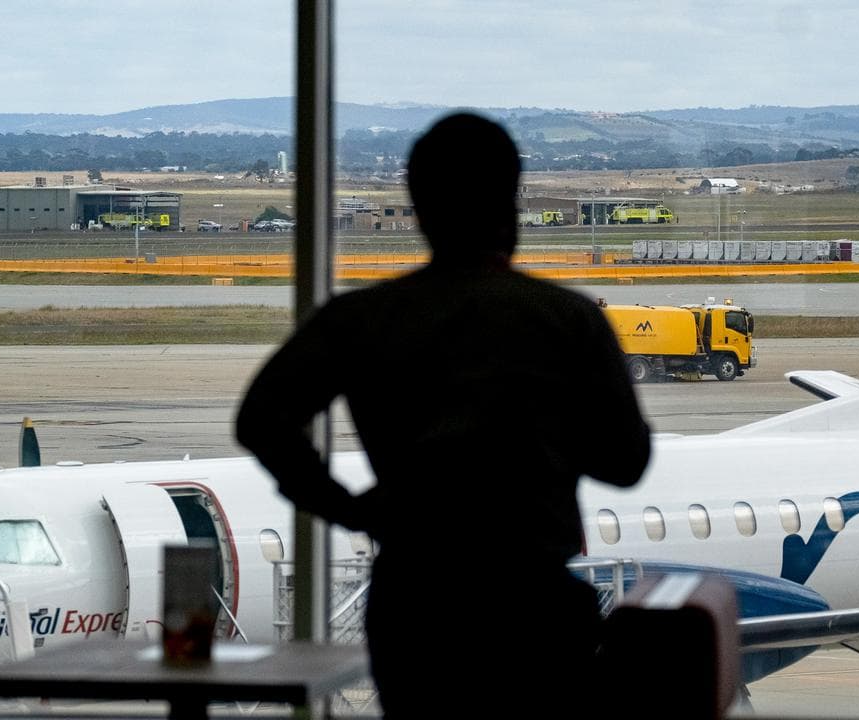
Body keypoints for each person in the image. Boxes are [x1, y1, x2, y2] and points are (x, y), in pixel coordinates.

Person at [235, 113, 652, 716]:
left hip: (418, 607)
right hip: (532, 604)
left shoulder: (365, 318)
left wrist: (349, 507)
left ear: (419, 208)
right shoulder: (566, 318)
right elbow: (626, 463)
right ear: (510, 203)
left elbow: (261, 420)